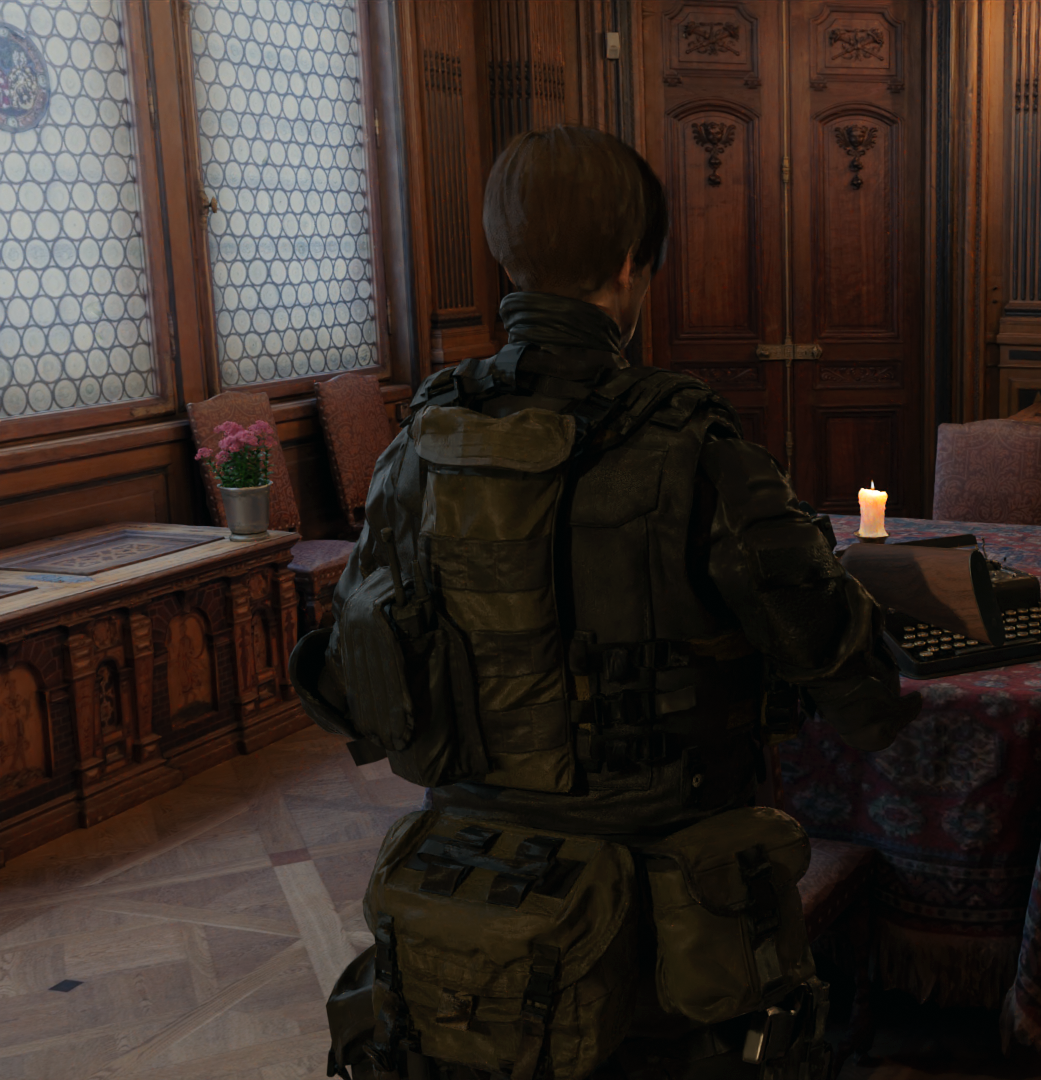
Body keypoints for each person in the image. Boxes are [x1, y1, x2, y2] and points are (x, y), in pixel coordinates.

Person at [293, 124, 921, 1080]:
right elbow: (859, 691)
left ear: (506, 258)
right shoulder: (699, 449)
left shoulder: (417, 443)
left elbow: (344, 688)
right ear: (632, 263)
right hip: (669, 937)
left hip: (467, 905)